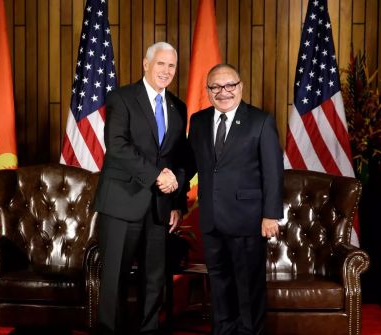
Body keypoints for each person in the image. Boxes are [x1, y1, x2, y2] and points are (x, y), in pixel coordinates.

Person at [94, 42, 190, 334]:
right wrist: (156, 175)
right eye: (160, 64)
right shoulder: (121, 98)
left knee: (154, 279)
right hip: (123, 202)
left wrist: (177, 201)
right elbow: (118, 147)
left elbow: (179, 156)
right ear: (145, 64)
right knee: (115, 279)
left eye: (171, 66)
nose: (166, 71)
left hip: (160, 207)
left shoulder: (178, 106)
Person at [187, 64, 283, 335]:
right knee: (219, 285)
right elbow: (190, 162)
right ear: (208, 91)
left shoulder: (260, 120)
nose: (223, 92)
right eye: (215, 87)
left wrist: (271, 215)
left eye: (229, 85)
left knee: (248, 287)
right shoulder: (199, 121)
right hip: (211, 219)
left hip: (248, 219)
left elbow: (273, 172)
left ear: (240, 86)